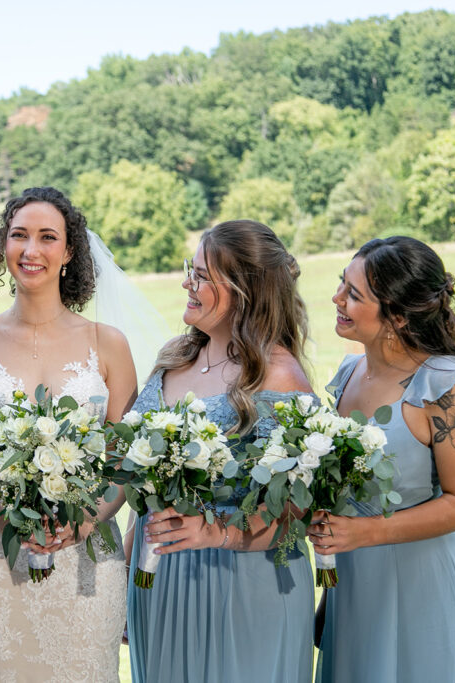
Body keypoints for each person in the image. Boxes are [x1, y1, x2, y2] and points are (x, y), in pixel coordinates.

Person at [0, 187, 137, 682]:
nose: (31, 251)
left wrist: (88, 517)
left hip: (85, 562)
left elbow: (126, 462)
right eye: (18, 236)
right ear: (3, 246)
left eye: (48, 237)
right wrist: (3, 517)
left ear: (70, 251)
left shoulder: (107, 344)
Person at [307, 236, 455, 682]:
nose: (336, 298)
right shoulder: (346, 375)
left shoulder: (443, 387)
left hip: (426, 592)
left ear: (397, 316)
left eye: (354, 294)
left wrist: (364, 532)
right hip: (356, 593)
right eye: (342, 284)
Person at [126, 220, 315, 682]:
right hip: (160, 576)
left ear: (245, 290)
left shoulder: (278, 376)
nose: (187, 285)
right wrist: (126, 571)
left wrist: (217, 533)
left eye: (203, 276)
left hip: (243, 583)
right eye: (190, 271)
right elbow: (142, 484)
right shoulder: (176, 355)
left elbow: (299, 514)